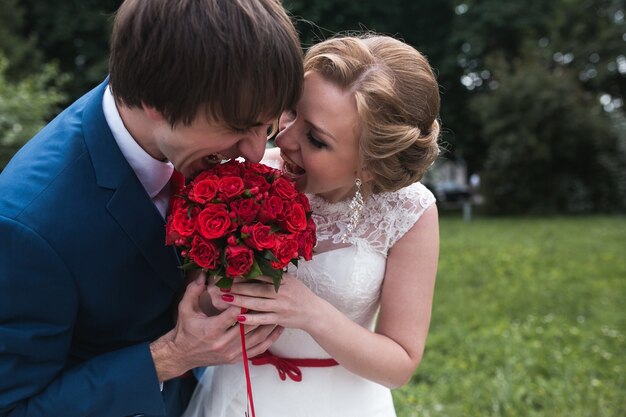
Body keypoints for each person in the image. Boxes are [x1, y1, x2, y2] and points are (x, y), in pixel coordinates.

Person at [0, 0, 303, 416]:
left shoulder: (175, 114)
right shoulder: (28, 224)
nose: (255, 153)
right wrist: (171, 356)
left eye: (266, 126)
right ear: (156, 103)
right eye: (237, 127)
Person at [183, 33, 441, 417]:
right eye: (291, 112)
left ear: (369, 164)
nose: (283, 139)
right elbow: (196, 298)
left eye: (316, 139)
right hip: (238, 397)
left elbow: (399, 363)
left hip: (342, 403)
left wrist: (310, 312)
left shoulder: (408, 212)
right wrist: (211, 300)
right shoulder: (243, 178)